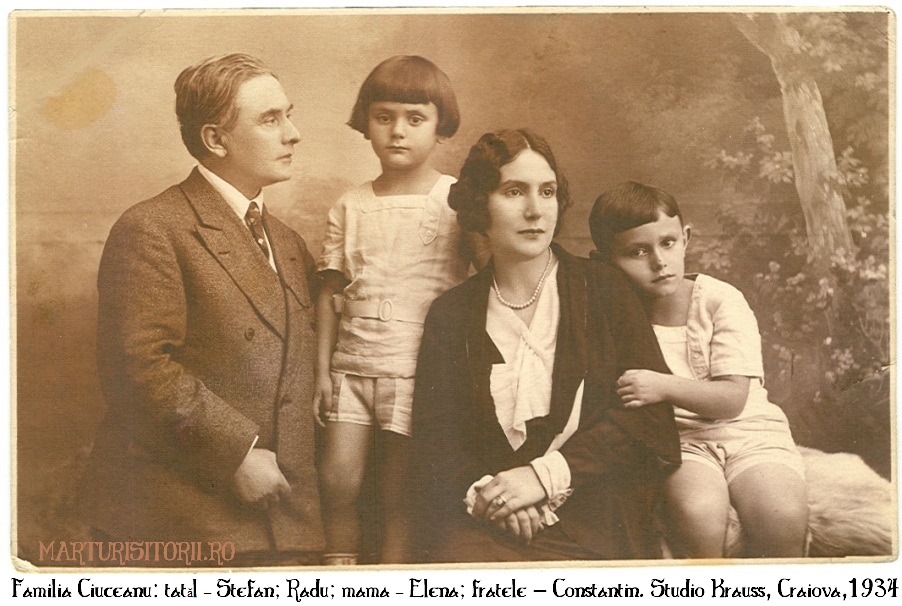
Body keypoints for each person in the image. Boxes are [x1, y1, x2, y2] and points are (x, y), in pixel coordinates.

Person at [76, 53, 324, 567]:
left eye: (289, 115)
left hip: (281, 521)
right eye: (270, 119)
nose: (293, 133)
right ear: (216, 139)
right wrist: (236, 453)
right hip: (174, 523)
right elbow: (137, 369)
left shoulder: (288, 243)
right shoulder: (153, 228)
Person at [409, 129, 681, 563]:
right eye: (514, 191)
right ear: (480, 204)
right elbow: (436, 440)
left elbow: (651, 425)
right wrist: (491, 495)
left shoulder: (604, 289)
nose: (536, 210)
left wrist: (541, 477)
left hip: (594, 518)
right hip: (488, 523)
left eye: (548, 192)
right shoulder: (452, 314)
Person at [589, 180, 808, 558]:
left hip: (750, 431)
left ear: (686, 238)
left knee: (782, 516)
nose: (659, 261)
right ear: (605, 260)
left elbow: (732, 399)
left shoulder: (720, 300)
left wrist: (663, 386)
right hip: (680, 441)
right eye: (637, 252)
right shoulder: (611, 314)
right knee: (698, 514)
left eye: (668, 243)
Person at [314, 55, 470, 565]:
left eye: (414, 118)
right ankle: (339, 570)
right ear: (366, 122)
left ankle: (392, 577)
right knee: (338, 482)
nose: (397, 131)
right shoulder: (350, 205)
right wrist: (322, 372)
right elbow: (329, 292)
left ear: (440, 126)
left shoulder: (453, 200)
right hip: (352, 367)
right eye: (384, 117)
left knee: (400, 490)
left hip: (416, 369)